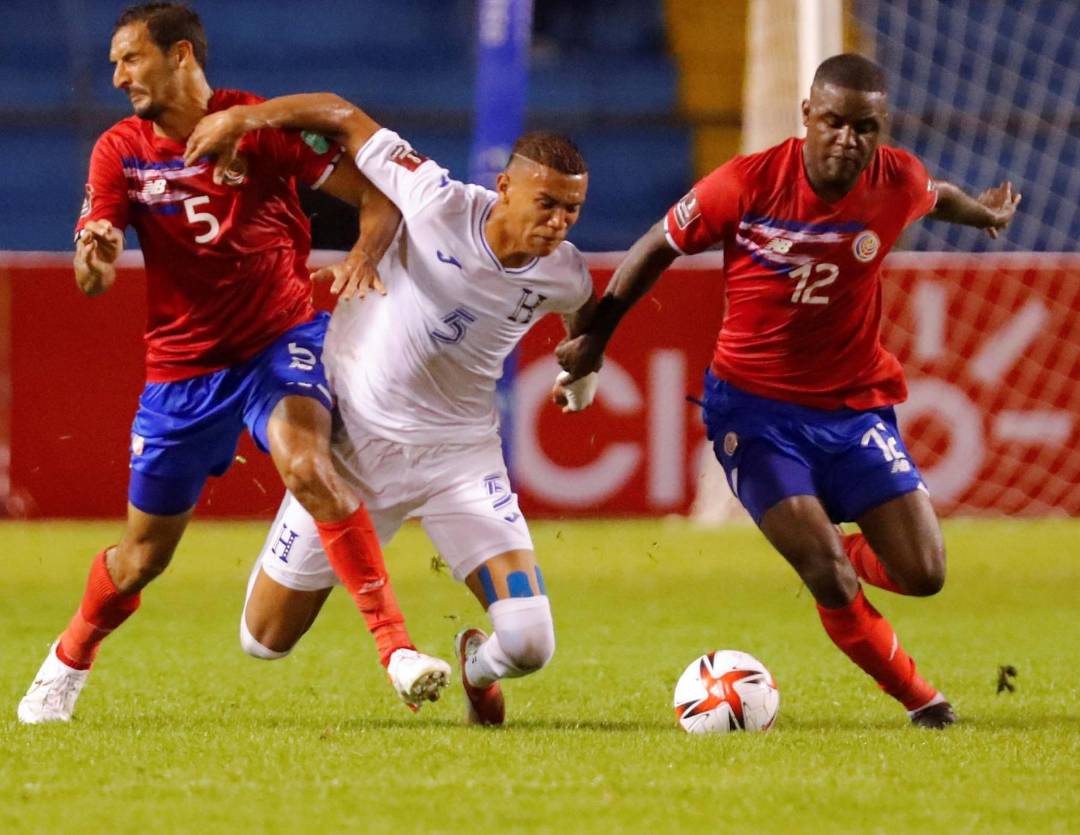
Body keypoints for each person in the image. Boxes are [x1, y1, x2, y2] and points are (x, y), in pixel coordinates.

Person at [557, 53, 1021, 729]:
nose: (848, 138)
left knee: (924, 572)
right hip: (754, 410)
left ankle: (834, 547)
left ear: (880, 129)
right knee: (829, 577)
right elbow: (659, 242)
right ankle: (925, 701)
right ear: (807, 116)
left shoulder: (897, 179)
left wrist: (981, 214)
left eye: (865, 126)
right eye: (833, 121)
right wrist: (597, 337)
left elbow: (936, 193)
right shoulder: (746, 184)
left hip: (854, 406)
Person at [17, 3, 450, 725]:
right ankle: (67, 660)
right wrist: (93, 257)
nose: (118, 75)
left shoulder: (258, 126)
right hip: (182, 374)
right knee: (142, 557)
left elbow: (378, 197)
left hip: (279, 342)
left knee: (308, 465)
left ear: (179, 54)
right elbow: (91, 278)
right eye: (115, 63)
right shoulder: (119, 150)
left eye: (130, 58)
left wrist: (363, 256)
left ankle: (397, 652)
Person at [182, 92, 596, 725]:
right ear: (505, 186)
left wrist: (581, 372)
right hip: (356, 449)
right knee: (263, 641)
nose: (560, 222)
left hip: (460, 459)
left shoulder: (563, 273)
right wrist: (243, 118)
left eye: (572, 209)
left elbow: (583, 314)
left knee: (530, 644)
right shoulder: (436, 200)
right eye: (547, 203)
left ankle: (476, 665)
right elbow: (342, 116)